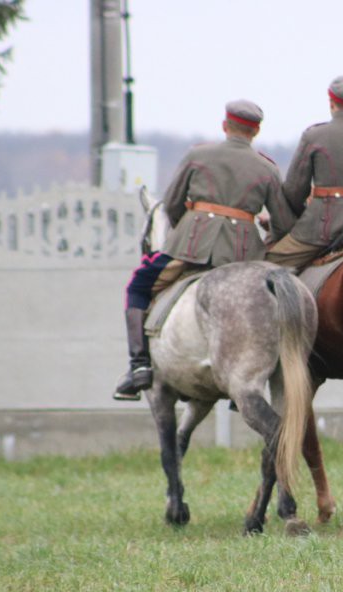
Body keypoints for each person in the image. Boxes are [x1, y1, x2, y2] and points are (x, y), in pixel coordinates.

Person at [113, 100, 295, 401]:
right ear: (256, 131)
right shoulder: (267, 168)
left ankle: (139, 367)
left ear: (225, 125)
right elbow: (284, 221)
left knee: (138, 286)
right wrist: (264, 226)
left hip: (191, 247)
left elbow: (170, 205)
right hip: (243, 255)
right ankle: (257, 376)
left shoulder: (198, 155)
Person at [265, 75, 343, 268]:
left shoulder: (314, 135)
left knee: (269, 263)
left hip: (318, 227)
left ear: (332, 103)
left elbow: (294, 190)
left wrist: (303, 215)